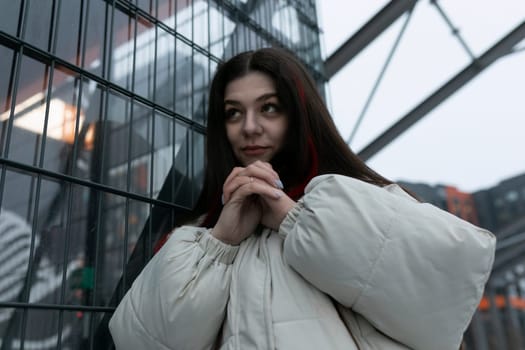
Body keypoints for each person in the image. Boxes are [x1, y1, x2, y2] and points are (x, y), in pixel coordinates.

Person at [108, 47, 495, 350]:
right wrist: (220, 242)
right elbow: (141, 341)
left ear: (299, 113)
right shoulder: (198, 236)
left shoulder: (361, 199)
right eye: (232, 113)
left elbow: (445, 292)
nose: (250, 128)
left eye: (269, 108)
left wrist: (297, 221)